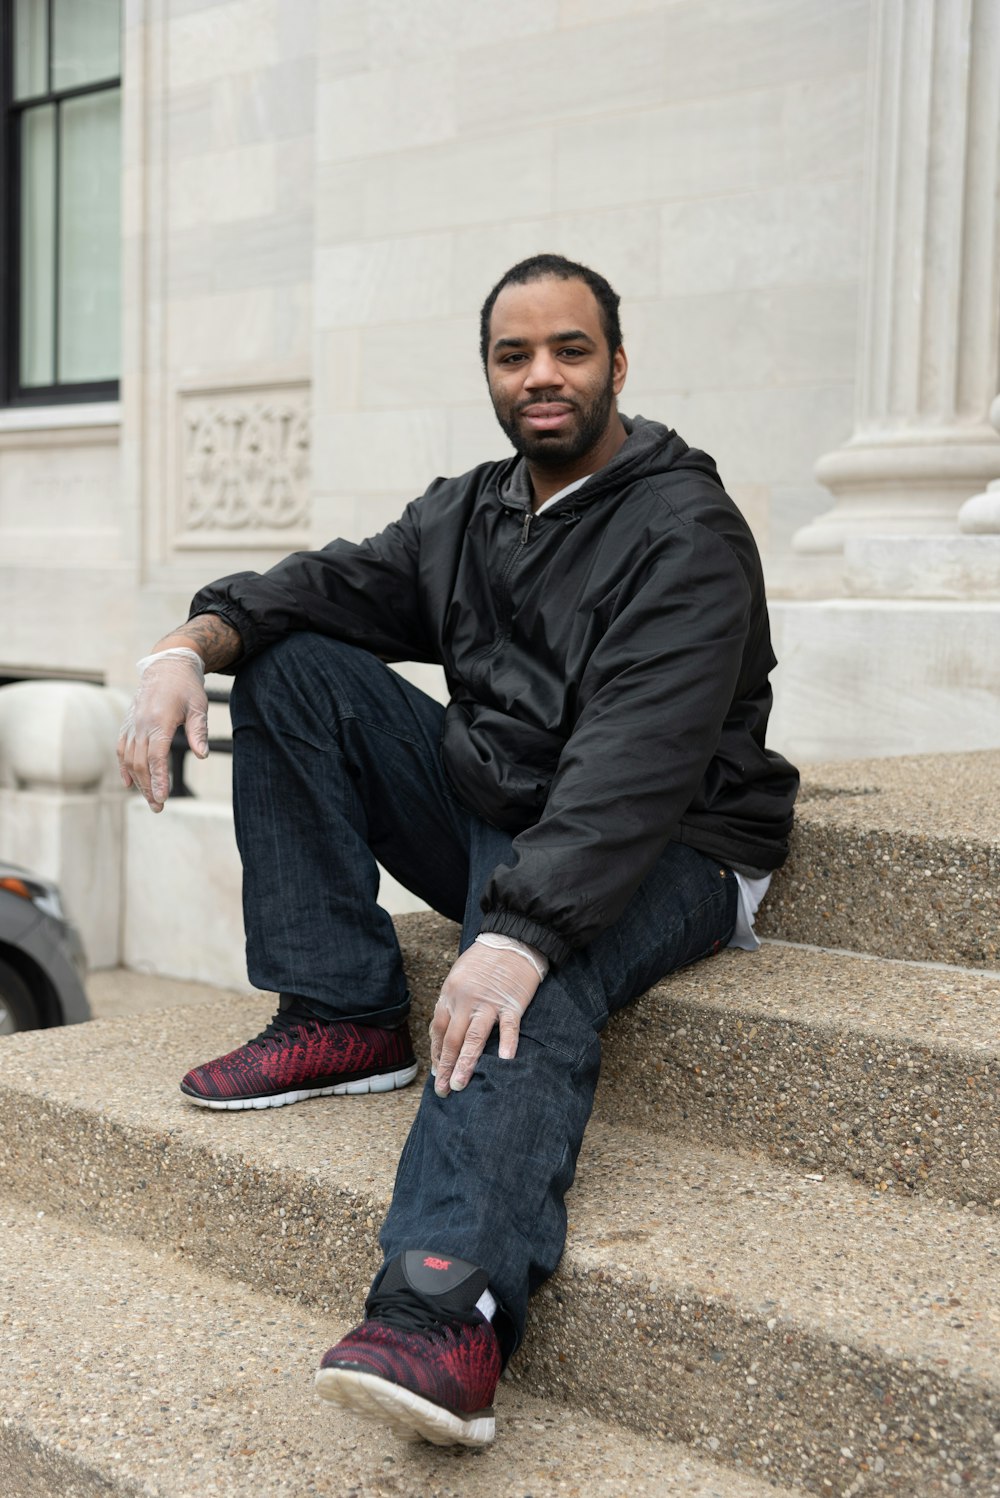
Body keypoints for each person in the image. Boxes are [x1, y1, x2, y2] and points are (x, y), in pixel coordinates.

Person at [118, 254, 798, 1449]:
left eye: (569, 351)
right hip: (510, 804)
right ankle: (340, 1008)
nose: (541, 376)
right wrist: (186, 644)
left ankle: (447, 1306)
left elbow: (632, 771)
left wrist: (518, 935)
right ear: (490, 372)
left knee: (526, 980)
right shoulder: (473, 509)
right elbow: (328, 583)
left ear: (617, 365)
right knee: (293, 662)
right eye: (513, 354)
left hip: (673, 842)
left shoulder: (685, 529)